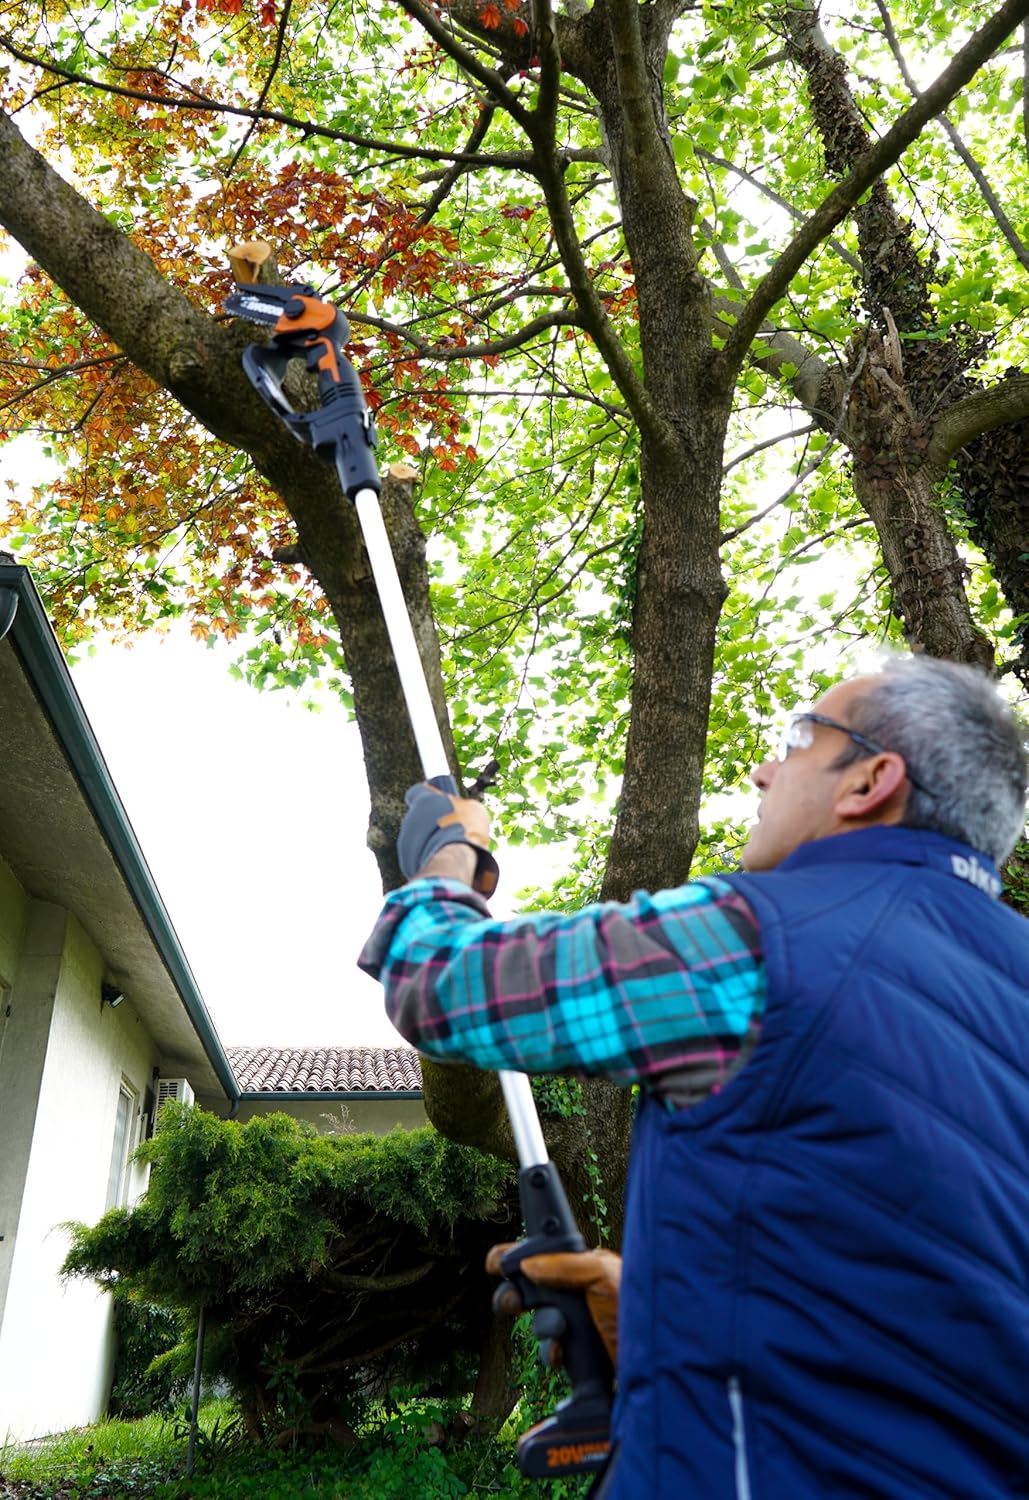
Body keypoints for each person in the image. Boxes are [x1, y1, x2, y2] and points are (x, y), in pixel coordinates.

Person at [359, 655, 1029, 1498]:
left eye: (798, 740)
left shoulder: (756, 938)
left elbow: (439, 981)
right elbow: (914, 1276)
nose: (762, 770)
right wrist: (656, 1314)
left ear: (870, 781)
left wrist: (450, 857)